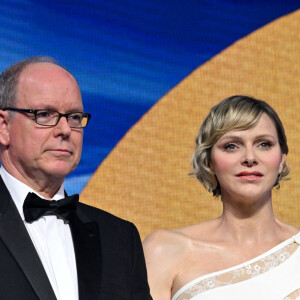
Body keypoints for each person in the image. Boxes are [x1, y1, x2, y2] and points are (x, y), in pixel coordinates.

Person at [0, 56, 151, 300]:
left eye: (74, 117)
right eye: (45, 114)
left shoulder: (119, 238)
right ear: (4, 127)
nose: (64, 130)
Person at [143, 95, 300, 300]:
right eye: (231, 146)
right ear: (209, 162)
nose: (250, 158)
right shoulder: (165, 250)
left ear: (281, 161)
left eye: (264, 144)